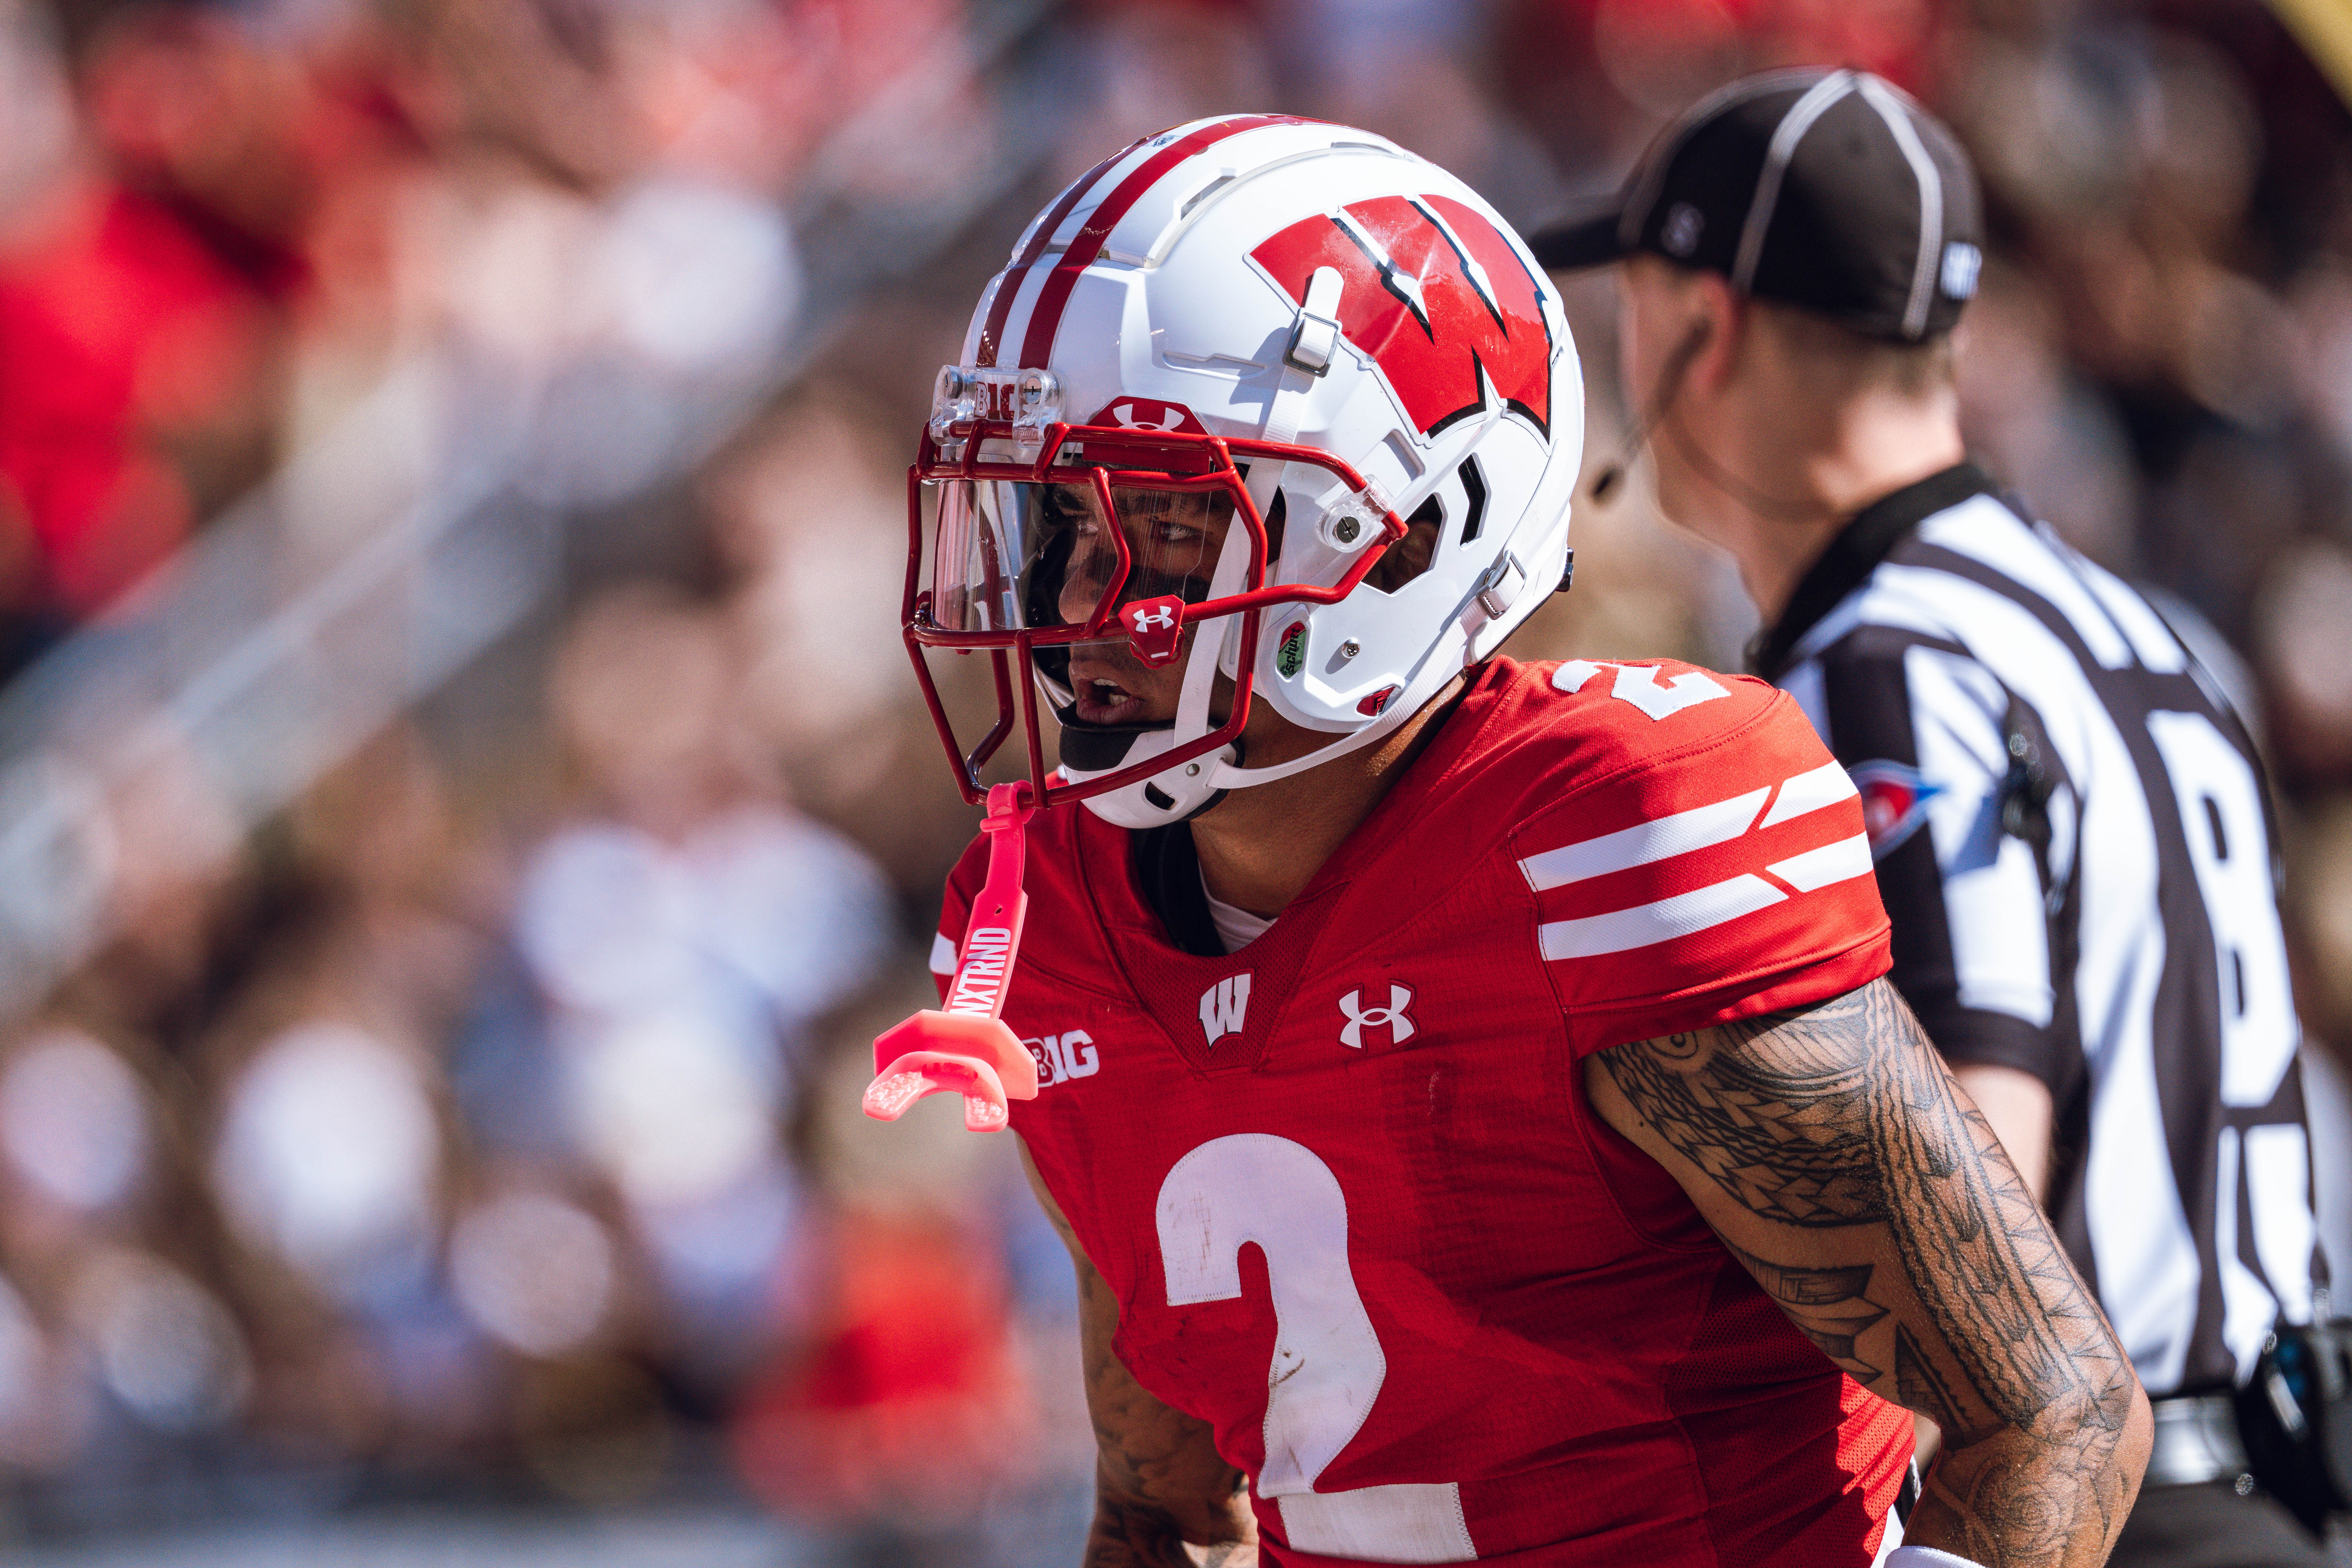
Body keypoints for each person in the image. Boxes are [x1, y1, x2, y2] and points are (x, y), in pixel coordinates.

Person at [869, 112, 2148, 1567]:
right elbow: (1164, 1510)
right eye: (1057, 520)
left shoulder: (1608, 841)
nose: (1081, 598)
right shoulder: (1058, 924)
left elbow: (2053, 1406)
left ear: (1409, 534)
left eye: (1166, 524)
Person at [1535, 68, 2327, 1567]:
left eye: (1634, 293)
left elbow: (1968, 1176)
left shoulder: (1884, 670)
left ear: (1709, 322)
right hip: (2268, 1482)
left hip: (2086, 1514)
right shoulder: (2137, 629)